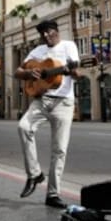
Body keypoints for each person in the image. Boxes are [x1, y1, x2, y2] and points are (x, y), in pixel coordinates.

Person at [14, 19, 80, 209]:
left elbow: (77, 73)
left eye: (48, 32)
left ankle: (52, 194)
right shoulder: (37, 52)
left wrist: (73, 72)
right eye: (42, 34)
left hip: (63, 103)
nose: (45, 36)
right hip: (41, 100)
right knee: (23, 127)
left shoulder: (69, 46)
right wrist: (29, 74)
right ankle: (34, 174)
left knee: (59, 150)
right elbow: (19, 71)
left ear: (56, 31)